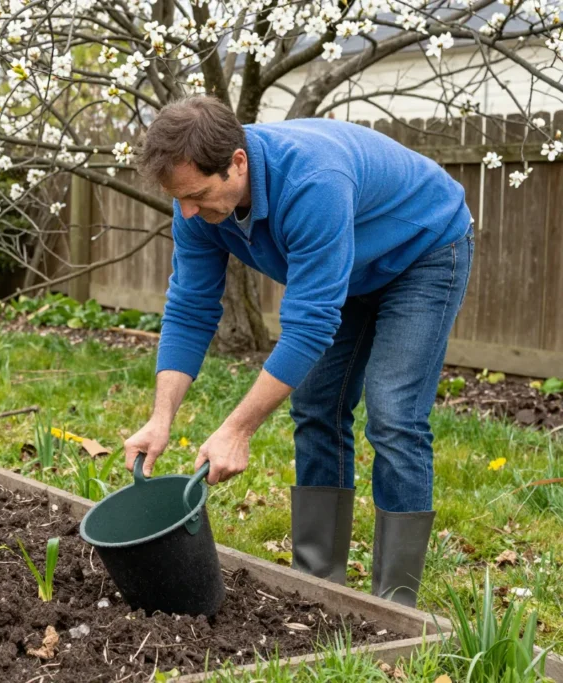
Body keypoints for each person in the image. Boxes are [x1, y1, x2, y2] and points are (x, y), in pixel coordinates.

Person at [123, 95, 473, 608]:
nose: (188, 211)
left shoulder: (311, 181)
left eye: (197, 195)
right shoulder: (194, 208)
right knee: (316, 406)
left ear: (237, 163)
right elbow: (190, 309)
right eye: (180, 199)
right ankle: (319, 586)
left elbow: (310, 326)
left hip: (423, 252)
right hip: (348, 267)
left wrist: (237, 429)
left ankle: (396, 606)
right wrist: (160, 418)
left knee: (394, 413)